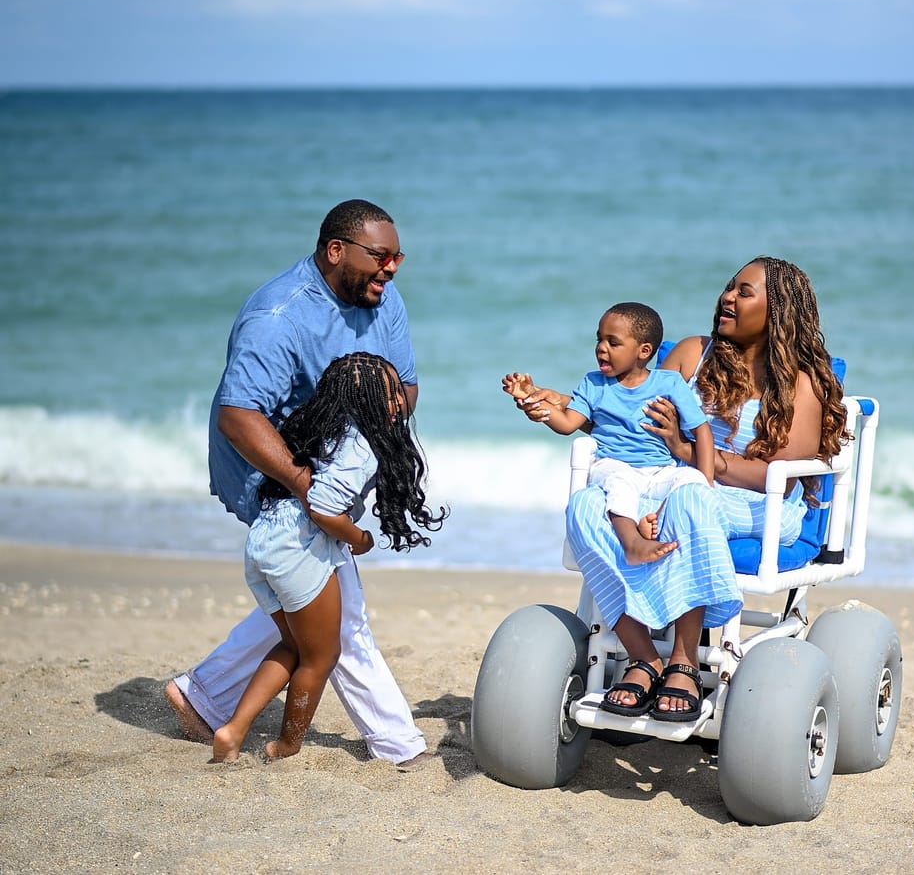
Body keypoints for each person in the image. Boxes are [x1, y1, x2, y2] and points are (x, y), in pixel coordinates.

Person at [509, 257, 848, 721]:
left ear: (779, 312)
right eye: (729, 287)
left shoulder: (800, 385)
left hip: (758, 504)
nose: (728, 296)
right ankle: (642, 655)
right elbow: (626, 412)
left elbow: (776, 474)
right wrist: (554, 401)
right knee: (588, 505)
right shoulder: (693, 354)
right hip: (666, 484)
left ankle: (684, 661)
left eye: (744, 292)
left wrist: (689, 453)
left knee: (686, 499)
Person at [165, 199, 436, 768]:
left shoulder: (383, 299)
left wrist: (371, 442)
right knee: (341, 617)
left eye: (398, 257)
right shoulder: (278, 317)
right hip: (274, 476)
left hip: (332, 477)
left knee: (304, 611)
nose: (391, 269)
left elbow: (405, 387)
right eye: (380, 256)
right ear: (337, 251)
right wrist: (304, 483)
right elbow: (239, 415)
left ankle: (204, 694)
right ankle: (396, 744)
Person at [213, 353, 447, 762]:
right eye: (389, 394)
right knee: (323, 657)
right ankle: (286, 746)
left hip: (266, 539)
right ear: (366, 400)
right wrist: (358, 538)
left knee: (292, 646)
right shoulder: (361, 444)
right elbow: (321, 507)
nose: (400, 402)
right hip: (299, 547)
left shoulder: (325, 429)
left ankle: (232, 732)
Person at [503, 301, 714, 566]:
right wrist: (534, 402)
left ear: (644, 351)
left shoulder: (668, 383)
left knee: (689, 478)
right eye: (599, 340)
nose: (601, 348)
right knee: (620, 483)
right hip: (612, 463)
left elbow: (701, 429)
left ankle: (654, 519)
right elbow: (568, 423)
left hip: (660, 469)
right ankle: (633, 543)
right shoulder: (593, 384)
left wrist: (706, 480)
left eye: (613, 343)